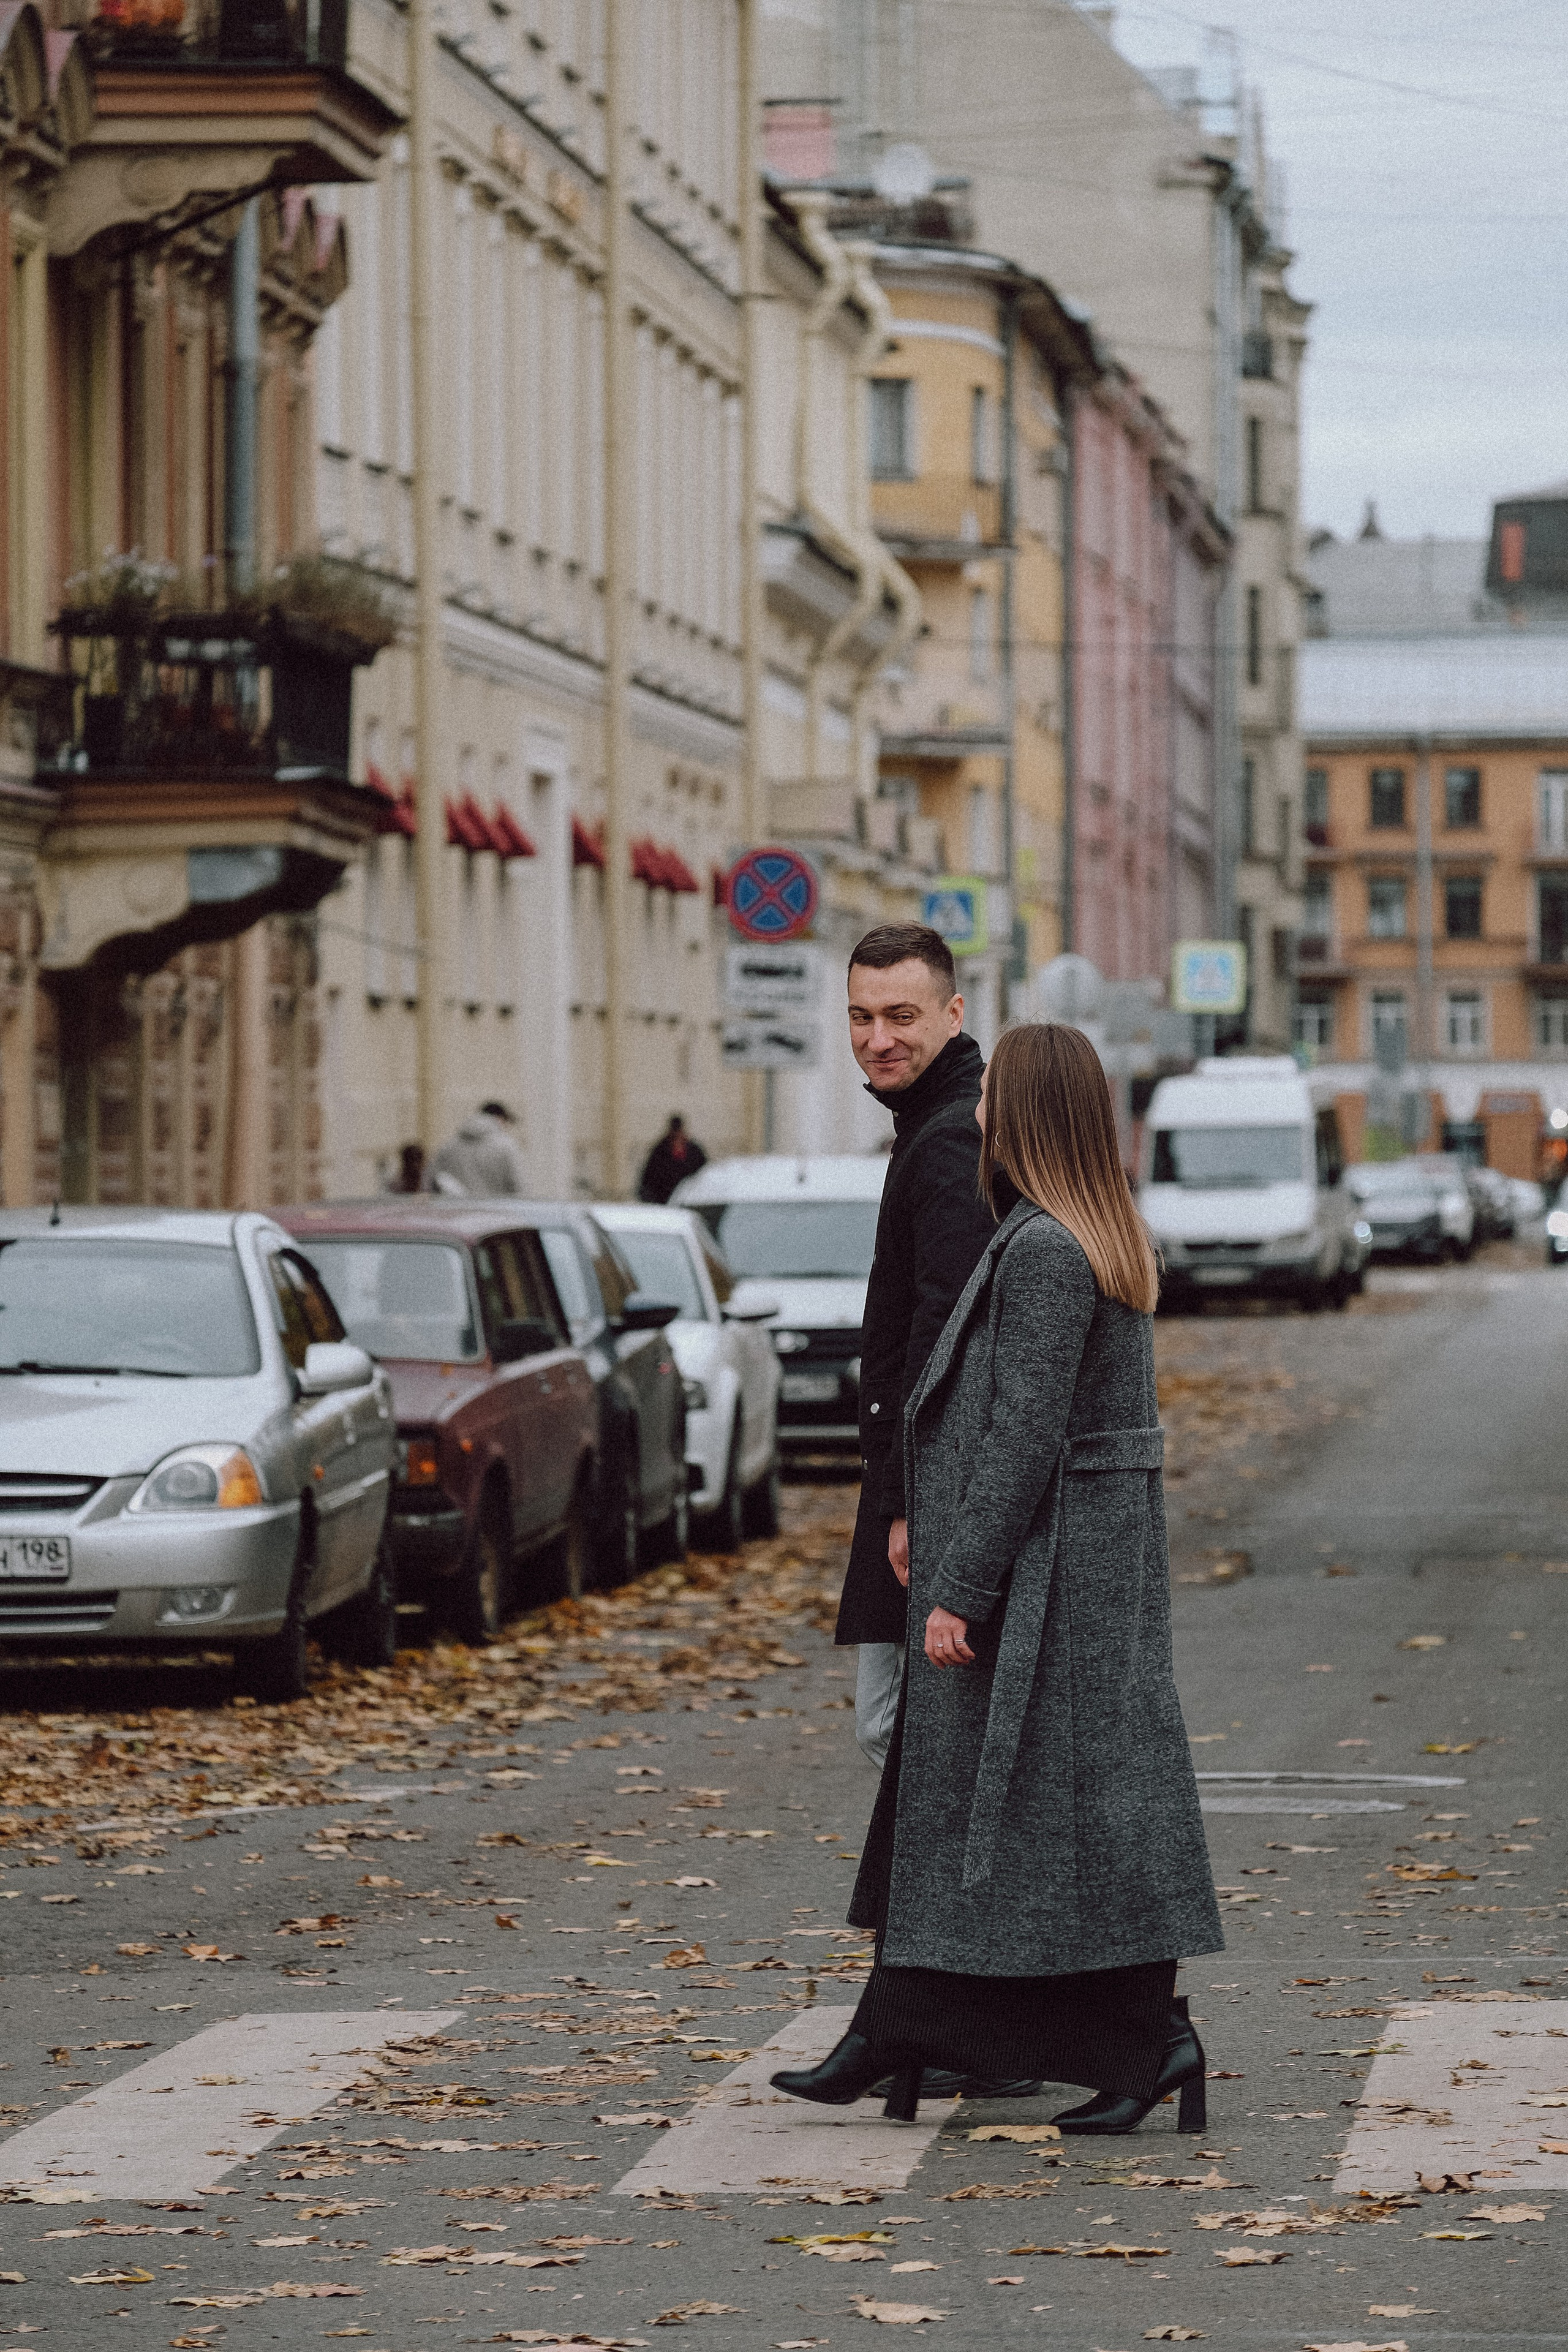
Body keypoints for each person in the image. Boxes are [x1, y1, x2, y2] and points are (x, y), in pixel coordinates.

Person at [774, 1021, 1223, 2131]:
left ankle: (1131, 2041)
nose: (975, 1115)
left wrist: (957, 1592)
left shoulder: (1046, 1252)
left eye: (994, 1099)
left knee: (1044, 1815)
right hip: (1069, 1574)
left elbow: (1024, 1438)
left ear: (1028, 1115)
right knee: (1030, 1815)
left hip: (1045, 1583)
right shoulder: (1070, 1234)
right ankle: (942, 2026)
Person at [839, 925, 997, 1775]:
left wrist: (909, 1502)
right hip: (921, 1479)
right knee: (907, 1727)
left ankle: (949, 1911)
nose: (877, 1039)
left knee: (898, 1727)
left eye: (901, 1015)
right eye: (860, 1017)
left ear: (953, 1011)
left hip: (929, 1483)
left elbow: (945, 1335)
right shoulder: (935, 1120)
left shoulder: (947, 1137)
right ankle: (929, 1910)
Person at [429, 1102, 529, 1196]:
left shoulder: (448, 1146)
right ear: (500, 1119)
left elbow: (432, 1182)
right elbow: (519, 1185)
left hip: (458, 1212)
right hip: (496, 1212)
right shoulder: (507, 1146)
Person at [638, 1114, 707, 1205]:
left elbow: (705, 1172)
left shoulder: (693, 1150)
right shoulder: (660, 1151)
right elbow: (649, 1179)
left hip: (688, 1200)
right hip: (664, 1201)